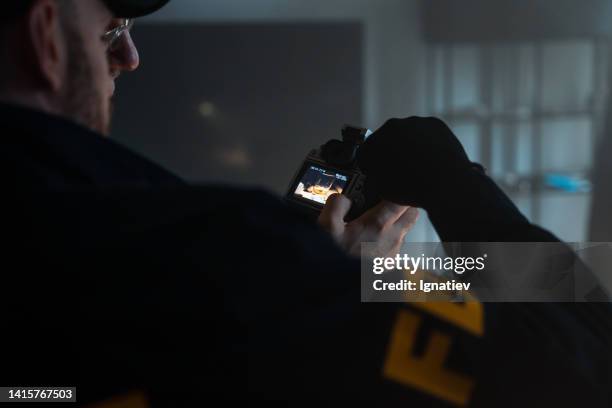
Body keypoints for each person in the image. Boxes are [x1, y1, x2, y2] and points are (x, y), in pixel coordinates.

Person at [2, 0, 612, 407]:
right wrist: (453, 181)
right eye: (112, 28)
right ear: (45, 40)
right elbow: (586, 368)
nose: (129, 56)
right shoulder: (215, 256)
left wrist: (324, 273)